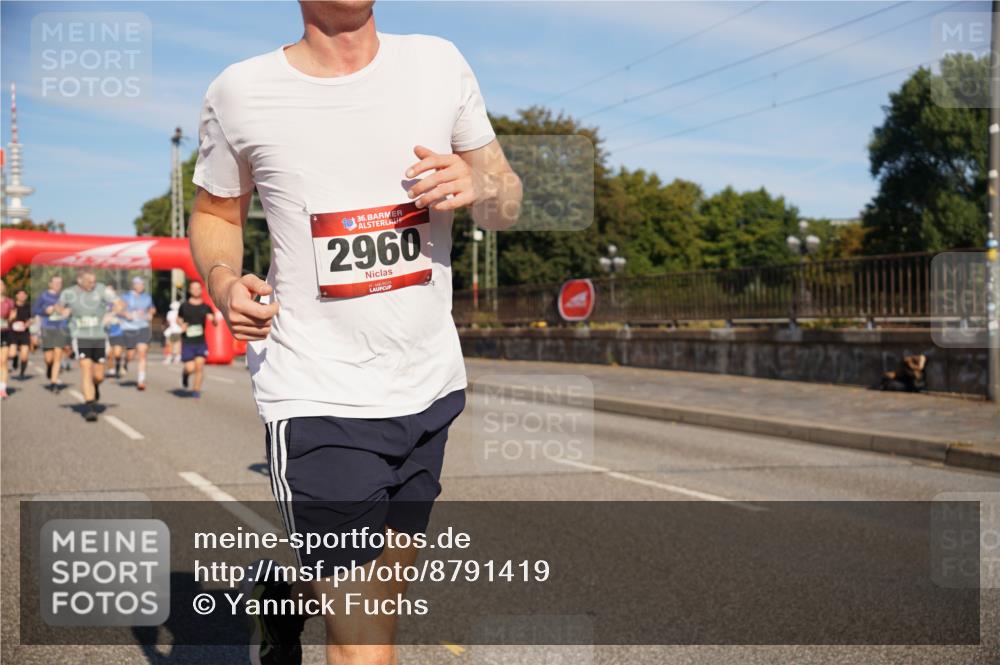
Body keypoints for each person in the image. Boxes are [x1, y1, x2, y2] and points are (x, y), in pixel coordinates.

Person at [188, 3, 521, 664]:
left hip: (428, 390)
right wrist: (225, 281)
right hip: (316, 393)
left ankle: (282, 599)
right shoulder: (240, 92)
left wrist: (480, 182)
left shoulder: (438, 63)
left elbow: (507, 197)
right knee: (366, 643)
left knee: (377, 612)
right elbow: (213, 214)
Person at [57, 269, 120, 422]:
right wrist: (62, 310)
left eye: (94, 281)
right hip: (80, 336)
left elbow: (119, 303)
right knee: (86, 368)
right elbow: (57, 306)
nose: (93, 284)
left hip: (99, 336)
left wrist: (111, 314)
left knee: (99, 375)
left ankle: (95, 386)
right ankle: (90, 407)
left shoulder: (101, 289)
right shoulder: (69, 293)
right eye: (89, 282)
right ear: (80, 281)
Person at [33, 274, 70, 391]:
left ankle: (54, 382)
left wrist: (67, 311)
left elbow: (70, 310)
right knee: (49, 358)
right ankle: (49, 367)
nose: (58, 285)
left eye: (60, 283)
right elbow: (35, 310)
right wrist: (45, 310)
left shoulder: (65, 296)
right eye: (56, 283)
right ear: (50, 284)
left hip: (61, 328)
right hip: (47, 328)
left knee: (58, 354)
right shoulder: (43, 296)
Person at [177, 282, 214, 398]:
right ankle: (185, 374)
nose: (196, 290)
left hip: (200, 342)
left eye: (198, 288)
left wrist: (213, 320)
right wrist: (181, 325)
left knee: (199, 366)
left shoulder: (206, 307)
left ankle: (196, 390)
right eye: (193, 288)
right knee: (190, 367)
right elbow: (178, 319)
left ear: (201, 290)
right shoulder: (184, 306)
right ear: (190, 290)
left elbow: (214, 321)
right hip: (188, 342)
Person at [119, 275, 155, 390]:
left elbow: (152, 308)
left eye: (142, 284)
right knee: (131, 354)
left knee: (142, 352)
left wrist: (151, 313)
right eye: (138, 284)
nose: (141, 286)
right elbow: (117, 309)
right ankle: (125, 362)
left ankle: (141, 380)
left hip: (143, 327)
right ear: (134, 285)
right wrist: (125, 314)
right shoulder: (126, 297)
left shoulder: (147, 297)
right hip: (129, 328)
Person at [8, 289, 33, 381]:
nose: (22, 296)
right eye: (20, 294)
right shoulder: (11, 306)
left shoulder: (29, 306)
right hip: (13, 333)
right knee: (12, 353)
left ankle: (22, 373)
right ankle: (14, 359)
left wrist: (28, 323)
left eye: (24, 294)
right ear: (16, 296)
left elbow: (33, 318)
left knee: (24, 356)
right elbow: (6, 318)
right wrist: (11, 318)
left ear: (26, 296)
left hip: (24, 333)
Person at [103, 284, 126, 378]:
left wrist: (114, 308)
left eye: (110, 290)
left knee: (117, 353)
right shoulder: (101, 301)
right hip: (105, 331)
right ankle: (112, 369)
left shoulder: (118, 300)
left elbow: (122, 308)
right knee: (108, 353)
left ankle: (118, 366)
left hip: (117, 330)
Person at [0, 282, 12, 399]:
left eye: (1, 285)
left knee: (3, 361)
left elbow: (13, 316)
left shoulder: (9, 302)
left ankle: (2, 388)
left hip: (4, 333)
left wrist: (11, 317)